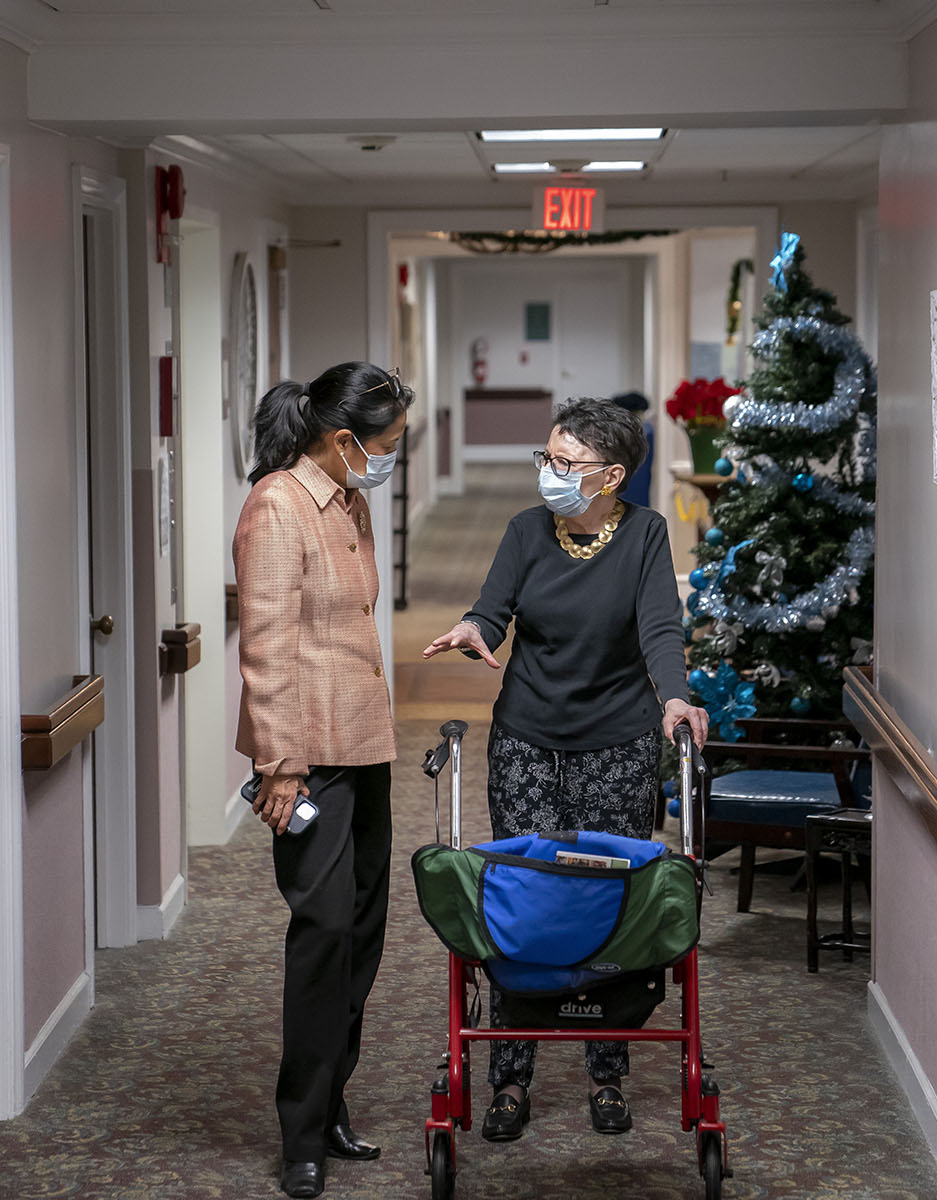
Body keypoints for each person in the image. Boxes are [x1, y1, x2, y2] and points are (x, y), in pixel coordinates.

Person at [422, 396, 710, 1144]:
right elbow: (495, 609)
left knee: (605, 902)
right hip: (525, 737)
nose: (549, 472)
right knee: (527, 902)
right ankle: (510, 1074)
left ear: (611, 475)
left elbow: (659, 628)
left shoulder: (645, 536)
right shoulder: (525, 530)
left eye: (566, 463)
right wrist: (472, 629)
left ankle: (607, 1070)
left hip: (617, 744)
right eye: (546, 458)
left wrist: (675, 697)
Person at [234, 361, 412, 1199]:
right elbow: (265, 648)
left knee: (365, 933)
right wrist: (279, 764)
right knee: (322, 936)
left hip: (365, 746)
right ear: (343, 440)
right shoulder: (277, 506)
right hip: (307, 761)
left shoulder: (351, 501)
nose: (389, 459)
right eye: (384, 445)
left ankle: (333, 1098)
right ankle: (299, 1132)